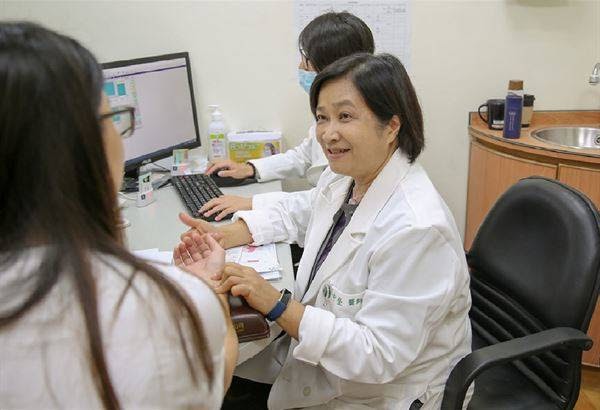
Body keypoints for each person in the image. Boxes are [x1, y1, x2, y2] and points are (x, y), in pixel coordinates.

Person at [178, 53, 472, 409]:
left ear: (391, 126)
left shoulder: (417, 229)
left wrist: (276, 304)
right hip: (323, 364)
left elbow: (377, 355)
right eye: (322, 117)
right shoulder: (345, 177)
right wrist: (226, 235)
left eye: (345, 116)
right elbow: (303, 211)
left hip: (381, 393)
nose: (328, 134)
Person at [0, 22, 237, 409]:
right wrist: (210, 293)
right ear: (84, 143)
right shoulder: (168, 307)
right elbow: (213, 379)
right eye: (113, 119)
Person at [200, 11, 375, 222]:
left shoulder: (365, 124)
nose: (301, 68)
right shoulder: (329, 112)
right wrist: (251, 168)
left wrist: (252, 202)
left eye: (306, 61)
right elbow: (304, 156)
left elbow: (328, 200)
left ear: (331, 67)